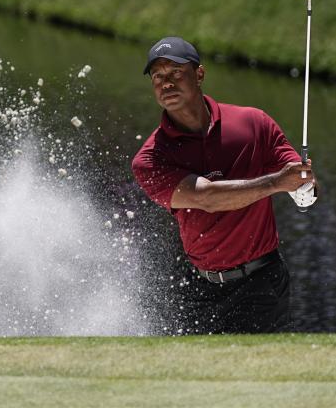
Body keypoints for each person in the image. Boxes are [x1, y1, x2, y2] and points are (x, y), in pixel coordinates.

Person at [131, 36, 317, 334]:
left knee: (258, 372)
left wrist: (304, 188)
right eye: (158, 76)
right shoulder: (151, 158)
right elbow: (206, 198)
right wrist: (277, 183)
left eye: (176, 73)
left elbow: (297, 175)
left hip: (262, 282)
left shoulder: (253, 123)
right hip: (199, 286)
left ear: (200, 74)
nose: (166, 83)